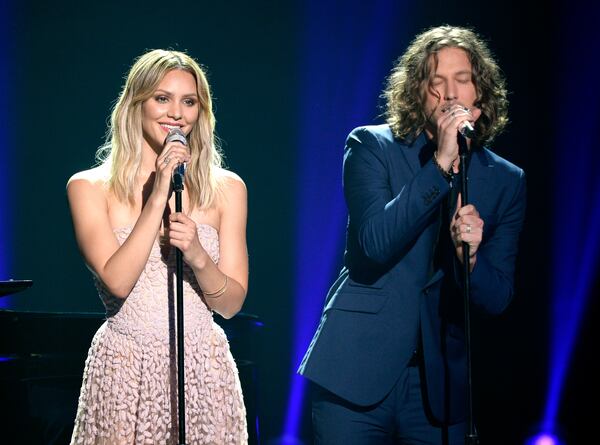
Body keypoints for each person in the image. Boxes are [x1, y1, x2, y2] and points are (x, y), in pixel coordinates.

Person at [298, 25, 526, 444]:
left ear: (480, 92)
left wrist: (470, 260)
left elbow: (498, 297)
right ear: (418, 93)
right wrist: (440, 163)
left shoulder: (505, 180)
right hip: (356, 373)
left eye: (462, 80)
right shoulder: (372, 146)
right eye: (436, 83)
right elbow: (373, 245)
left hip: (440, 387)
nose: (450, 94)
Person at [67, 49, 248, 444]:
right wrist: (158, 192)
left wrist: (200, 257)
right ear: (137, 104)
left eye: (189, 102)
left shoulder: (227, 189)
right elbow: (117, 280)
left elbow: (231, 305)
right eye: (162, 98)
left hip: (203, 368)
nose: (176, 113)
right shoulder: (88, 187)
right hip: (125, 367)